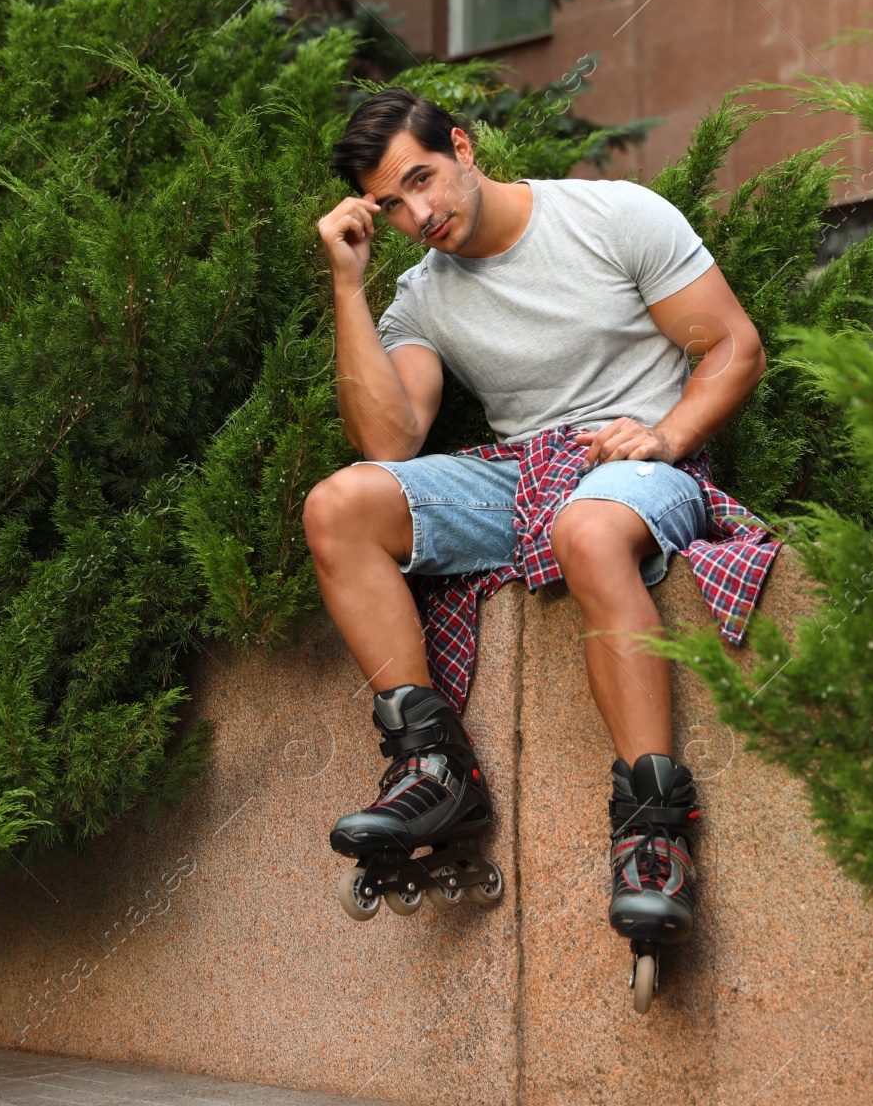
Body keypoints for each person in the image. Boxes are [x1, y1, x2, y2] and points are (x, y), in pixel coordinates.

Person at [305, 87, 779, 977]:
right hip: (524, 476)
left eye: (424, 180)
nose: (419, 214)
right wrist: (348, 284)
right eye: (393, 204)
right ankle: (435, 771)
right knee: (340, 504)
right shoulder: (422, 295)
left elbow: (735, 348)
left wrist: (668, 435)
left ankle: (654, 830)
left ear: (463, 146)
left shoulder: (611, 216)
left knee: (590, 529)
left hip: (642, 466)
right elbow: (390, 441)